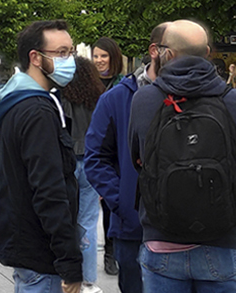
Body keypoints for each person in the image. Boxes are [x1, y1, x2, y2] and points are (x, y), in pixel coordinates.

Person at [129, 20, 236, 293]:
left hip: (162, 239)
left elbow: (138, 159)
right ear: (208, 52)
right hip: (221, 238)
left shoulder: (145, 99)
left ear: (167, 54)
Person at [0, 19, 83, 293]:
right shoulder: (37, 111)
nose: (70, 60)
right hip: (42, 253)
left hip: (26, 244)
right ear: (35, 57)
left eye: (71, 52)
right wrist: (69, 260)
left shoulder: (12, 102)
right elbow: (49, 190)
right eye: (62, 53)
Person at [86, 23, 168, 293]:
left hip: (185, 232)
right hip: (133, 227)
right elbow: (96, 156)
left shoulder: (197, 96)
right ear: (155, 51)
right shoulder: (117, 97)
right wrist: (121, 200)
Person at [62, 52, 107, 293]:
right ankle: (89, 280)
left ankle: (69, 276)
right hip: (90, 162)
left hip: (68, 163)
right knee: (88, 221)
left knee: (66, 220)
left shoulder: (63, 98)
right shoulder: (97, 97)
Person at [89, 36, 126, 275]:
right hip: (99, 151)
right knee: (107, 207)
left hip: (121, 152)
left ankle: (120, 248)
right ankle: (110, 254)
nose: (100, 61)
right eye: (96, 56)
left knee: (119, 204)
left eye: (104, 56)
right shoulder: (87, 84)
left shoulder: (124, 84)